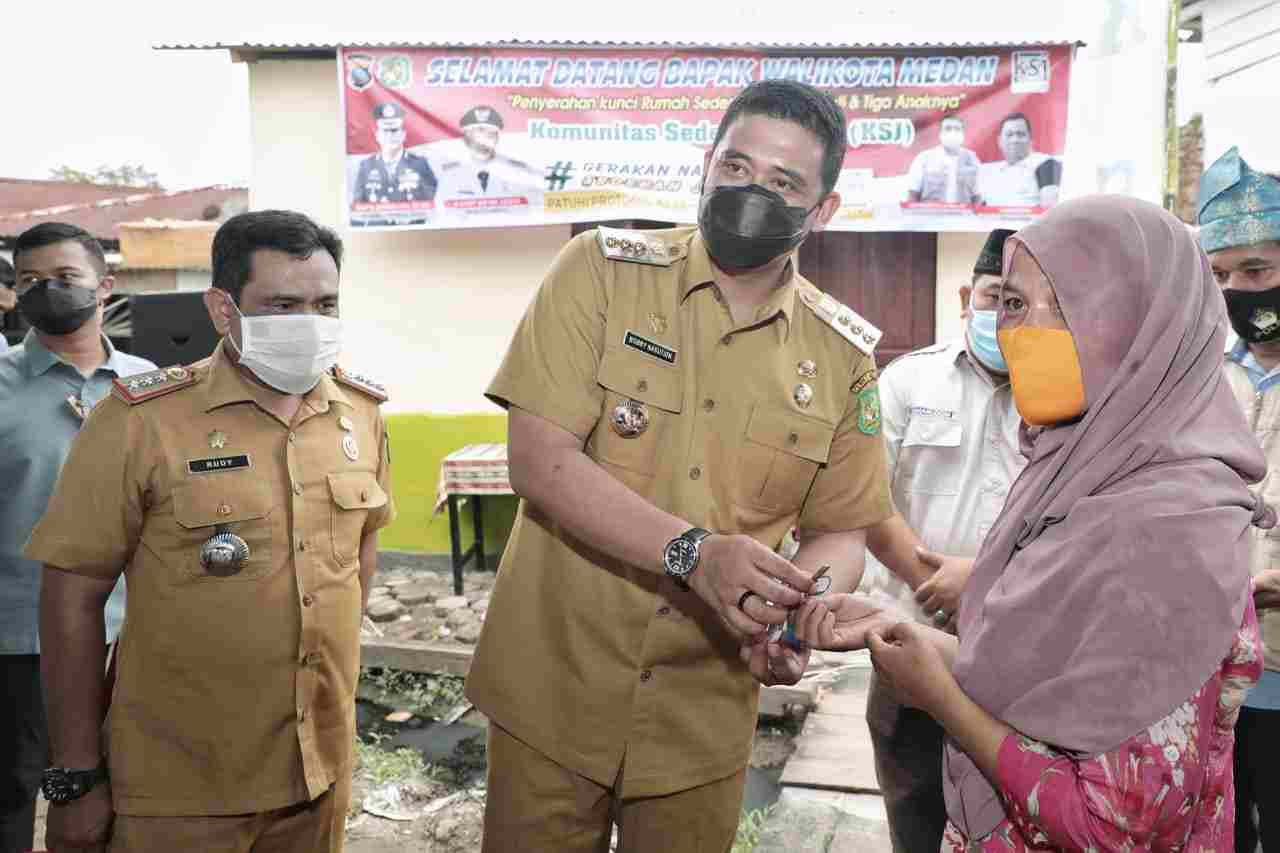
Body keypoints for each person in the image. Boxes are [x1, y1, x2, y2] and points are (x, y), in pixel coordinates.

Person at [466, 79, 893, 852]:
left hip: (703, 716)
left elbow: (841, 533)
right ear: (706, 166)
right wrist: (693, 553)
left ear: (821, 211)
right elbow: (538, 459)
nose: (750, 191)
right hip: (553, 692)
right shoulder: (599, 270)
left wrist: (799, 609)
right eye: (736, 166)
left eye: (783, 181)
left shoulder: (842, 358)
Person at [794, 195, 1267, 851]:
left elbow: (1112, 824)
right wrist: (907, 636)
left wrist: (941, 696)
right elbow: (1055, 675)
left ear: (1150, 325)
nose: (1030, 331)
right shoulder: (1077, 472)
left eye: (1070, 306)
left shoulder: (1167, 531)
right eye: (1015, 304)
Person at [26, 210, 394, 853]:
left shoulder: (359, 415)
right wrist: (77, 774)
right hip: (182, 786)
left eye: (325, 303)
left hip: (318, 772)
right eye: (282, 304)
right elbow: (71, 598)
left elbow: (360, 554)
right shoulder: (140, 421)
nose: (309, 322)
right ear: (224, 309)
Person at [858, 228, 1024, 853]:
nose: (1005, 317)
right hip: (909, 640)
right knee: (917, 817)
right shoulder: (905, 383)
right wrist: (943, 592)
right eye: (994, 297)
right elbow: (867, 503)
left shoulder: (1067, 398)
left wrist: (980, 587)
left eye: (1022, 304)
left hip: (1019, 656)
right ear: (965, 296)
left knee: (1010, 819)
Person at [0, 223, 153, 853]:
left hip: (132, 634)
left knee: (125, 793)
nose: (46, 290)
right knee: (12, 795)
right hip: (17, 638)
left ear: (105, 287)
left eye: (65, 277)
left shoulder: (152, 385)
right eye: (30, 280)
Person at [1198, 146, 1280, 853]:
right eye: (1221, 274)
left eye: (1258, 270)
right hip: (1208, 663)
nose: (1240, 290)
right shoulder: (1200, 372)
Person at [433, 105, 543, 212]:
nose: (485, 138)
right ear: (466, 137)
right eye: (479, 131)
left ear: (497, 137)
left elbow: (538, 204)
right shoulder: (450, 173)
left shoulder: (518, 170)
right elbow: (440, 211)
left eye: (491, 133)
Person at [352, 101, 438, 208]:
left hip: (412, 223)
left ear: (403, 134)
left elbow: (429, 198)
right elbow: (358, 203)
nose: (390, 136)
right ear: (377, 136)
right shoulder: (366, 166)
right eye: (385, 131)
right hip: (378, 223)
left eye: (394, 130)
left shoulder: (420, 164)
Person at [977, 113, 1061, 208]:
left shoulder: (1045, 163)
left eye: (1020, 134)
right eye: (1009, 135)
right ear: (999, 141)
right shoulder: (989, 172)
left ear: (1030, 139)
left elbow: (1050, 209)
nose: (1015, 140)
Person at [905, 115, 982, 205]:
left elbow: (976, 196)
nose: (953, 132)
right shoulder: (923, 158)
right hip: (930, 216)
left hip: (963, 217)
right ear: (940, 133)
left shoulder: (972, 159)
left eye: (957, 129)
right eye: (948, 128)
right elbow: (913, 195)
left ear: (963, 133)